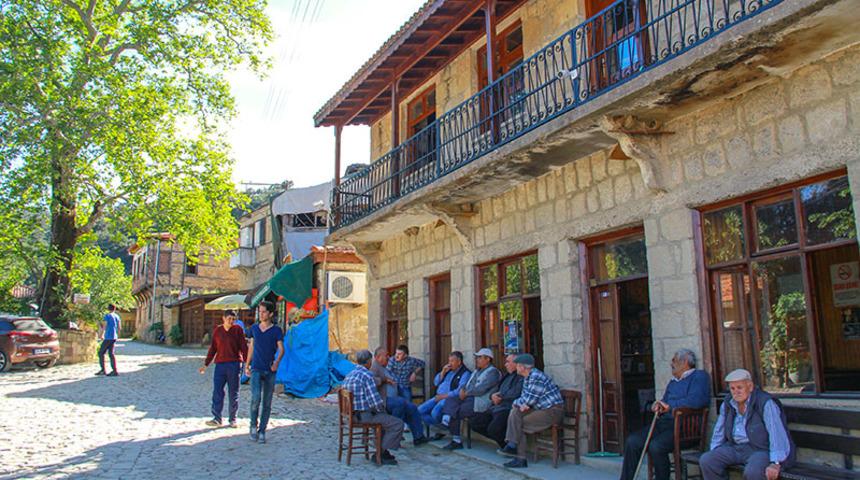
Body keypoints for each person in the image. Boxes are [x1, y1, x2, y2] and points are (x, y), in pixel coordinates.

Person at [620, 349, 711, 480]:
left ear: (685, 362)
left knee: (656, 446)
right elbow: (665, 401)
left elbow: (697, 400)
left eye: (674, 360)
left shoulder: (699, 376)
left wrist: (671, 406)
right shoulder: (674, 381)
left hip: (684, 428)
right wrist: (659, 405)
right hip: (664, 424)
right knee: (632, 441)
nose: (671, 363)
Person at [700, 369, 795, 480]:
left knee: (753, 472)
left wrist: (776, 462)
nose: (736, 392)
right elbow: (719, 431)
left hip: (761, 449)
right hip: (735, 447)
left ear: (750, 386)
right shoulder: (728, 403)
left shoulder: (765, 402)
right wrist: (715, 451)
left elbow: (776, 432)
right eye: (732, 388)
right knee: (707, 460)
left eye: (740, 387)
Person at [497, 353, 563, 469]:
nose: (516, 367)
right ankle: (512, 445)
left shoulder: (536, 376)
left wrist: (519, 403)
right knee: (515, 412)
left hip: (552, 411)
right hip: (541, 409)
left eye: (517, 365)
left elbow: (529, 400)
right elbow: (524, 399)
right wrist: (519, 404)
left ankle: (519, 456)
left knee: (519, 422)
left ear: (523, 367)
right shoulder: (527, 377)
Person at [342, 349, 405, 466]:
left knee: (384, 419)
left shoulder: (350, 375)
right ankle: (380, 452)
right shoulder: (367, 376)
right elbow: (375, 402)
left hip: (352, 415)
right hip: (364, 416)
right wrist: (384, 410)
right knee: (397, 423)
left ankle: (382, 452)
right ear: (369, 361)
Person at [441, 347, 502, 450]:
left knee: (458, 410)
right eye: (477, 358)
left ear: (488, 359)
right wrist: (463, 390)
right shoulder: (476, 371)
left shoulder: (493, 372)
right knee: (451, 399)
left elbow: (481, 389)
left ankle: (455, 439)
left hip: (480, 401)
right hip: (469, 398)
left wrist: (466, 393)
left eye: (480, 357)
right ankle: (447, 418)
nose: (477, 360)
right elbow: (468, 384)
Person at [369, 347, 430, 446]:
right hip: (382, 400)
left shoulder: (383, 365)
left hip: (394, 394)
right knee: (401, 404)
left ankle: (418, 437)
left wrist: (414, 373)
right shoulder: (374, 367)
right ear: (378, 357)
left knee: (412, 408)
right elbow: (371, 381)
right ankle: (394, 433)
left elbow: (422, 363)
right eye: (386, 355)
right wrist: (384, 380)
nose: (388, 357)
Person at [199, 309, 247, 428]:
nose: (231, 321)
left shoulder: (238, 330)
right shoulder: (218, 331)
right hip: (220, 365)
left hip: (234, 364)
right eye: (229, 319)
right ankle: (217, 418)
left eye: (233, 319)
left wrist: (248, 364)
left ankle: (232, 419)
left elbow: (243, 347)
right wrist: (206, 364)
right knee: (217, 391)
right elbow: (213, 349)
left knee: (233, 392)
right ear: (224, 318)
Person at [245, 301, 284, 444]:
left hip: (269, 370)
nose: (261, 314)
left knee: (267, 402)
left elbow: (282, 349)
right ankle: (252, 426)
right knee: (255, 398)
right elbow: (251, 347)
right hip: (256, 368)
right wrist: (247, 364)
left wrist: (276, 362)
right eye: (259, 312)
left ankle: (262, 431)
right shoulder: (254, 329)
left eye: (263, 312)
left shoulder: (276, 331)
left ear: (270, 314)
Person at [469, 354, 524, 448]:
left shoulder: (522, 377)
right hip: (496, 406)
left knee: (493, 429)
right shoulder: (507, 375)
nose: (505, 364)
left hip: (509, 408)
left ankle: (509, 447)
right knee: (475, 422)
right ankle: (504, 443)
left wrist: (500, 396)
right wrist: (492, 396)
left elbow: (516, 393)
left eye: (508, 362)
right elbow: (495, 390)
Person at [418, 351, 471, 428]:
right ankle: (441, 427)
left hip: (448, 398)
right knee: (418, 411)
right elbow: (436, 383)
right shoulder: (447, 370)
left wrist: (443, 396)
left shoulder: (465, 373)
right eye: (449, 361)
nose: (449, 363)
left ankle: (443, 428)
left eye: (452, 361)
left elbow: (459, 391)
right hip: (438, 397)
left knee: (434, 413)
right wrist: (442, 372)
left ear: (459, 362)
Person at [95, 304, 121, 377]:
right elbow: (119, 327)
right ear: (114, 309)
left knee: (101, 353)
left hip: (108, 337)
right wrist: (117, 335)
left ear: (108, 309)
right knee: (111, 354)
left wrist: (101, 334)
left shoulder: (107, 316)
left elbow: (105, 326)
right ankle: (114, 370)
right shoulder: (117, 316)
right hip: (114, 337)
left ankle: (103, 370)